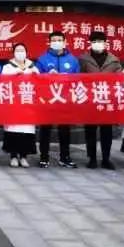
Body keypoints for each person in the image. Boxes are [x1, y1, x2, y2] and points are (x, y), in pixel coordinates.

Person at [35, 31, 80, 168]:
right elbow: (36, 78)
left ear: (65, 42)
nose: (57, 42)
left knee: (65, 130)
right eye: (54, 40)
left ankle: (65, 157)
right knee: (45, 129)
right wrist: (47, 76)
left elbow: (77, 79)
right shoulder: (42, 59)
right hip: (48, 99)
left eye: (59, 40)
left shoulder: (73, 60)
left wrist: (67, 79)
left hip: (65, 99)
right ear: (49, 42)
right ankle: (44, 157)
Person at [78, 31, 122, 170]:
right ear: (90, 43)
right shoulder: (84, 59)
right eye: (95, 41)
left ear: (105, 43)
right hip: (90, 100)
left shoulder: (113, 60)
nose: (98, 44)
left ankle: (106, 159)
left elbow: (119, 79)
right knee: (90, 130)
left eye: (100, 41)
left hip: (107, 100)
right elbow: (78, 78)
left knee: (106, 131)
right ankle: (92, 158)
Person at [1, 43, 39, 168]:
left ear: (26, 52)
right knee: (13, 130)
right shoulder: (7, 67)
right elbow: (2, 82)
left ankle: (23, 156)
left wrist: (36, 75)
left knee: (26, 130)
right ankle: (13, 156)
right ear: (13, 53)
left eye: (22, 50)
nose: (20, 52)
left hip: (28, 103)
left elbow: (39, 83)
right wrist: (13, 75)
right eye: (17, 50)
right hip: (13, 103)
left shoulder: (32, 66)